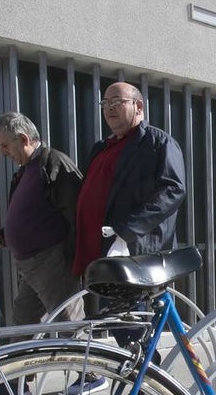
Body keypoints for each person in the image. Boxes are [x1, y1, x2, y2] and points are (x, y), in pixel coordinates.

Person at [73, 82, 187, 271]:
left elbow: (173, 190)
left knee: (138, 301)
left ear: (138, 106)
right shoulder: (101, 148)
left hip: (133, 251)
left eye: (117, 101)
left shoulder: (157, 142)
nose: (109, 107)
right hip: (98, 253)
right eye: (105, 103)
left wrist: (128, 230)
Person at [0, 111, 84, 325]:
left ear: (23, 139)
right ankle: (24, 359)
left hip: (51, 262)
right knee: (24, 319)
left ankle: (83, 359)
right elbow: (32, 211)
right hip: (31, 265)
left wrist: (71, 258)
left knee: (68, 322)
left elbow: (79, 212)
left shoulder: (53, 162)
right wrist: (5, 234)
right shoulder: (24, 171)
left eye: (4, 145)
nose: (3, 153)